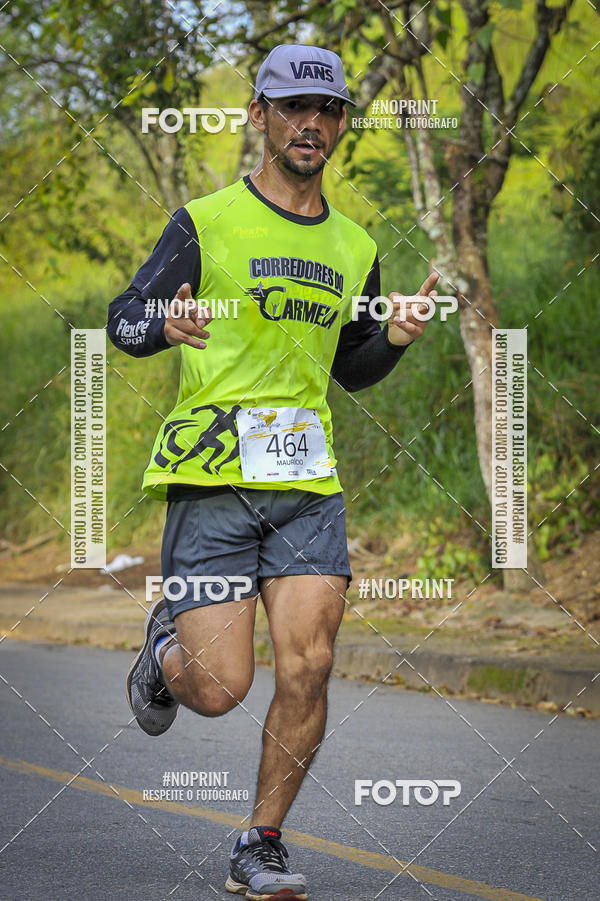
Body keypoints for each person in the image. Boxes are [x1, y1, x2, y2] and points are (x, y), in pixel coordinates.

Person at [107, 43, 436, 901]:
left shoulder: (356, 243)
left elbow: (350, 365)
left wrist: (393, 338)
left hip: (306, 484)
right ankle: (162, 646)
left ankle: (260, 842)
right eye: (294, 107)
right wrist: (160, 328)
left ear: (339, 127)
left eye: (328, 111)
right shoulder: (204, 220)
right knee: (217, 688)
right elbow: (124, 315)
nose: (312, 124)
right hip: (212, 476)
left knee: (310, 664)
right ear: (259, 115)